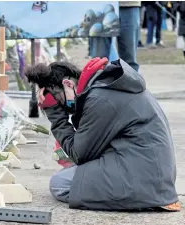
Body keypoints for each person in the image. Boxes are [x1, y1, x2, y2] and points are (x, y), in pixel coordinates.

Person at [24, 58, 180, 211]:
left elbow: (79, 155)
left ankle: (141, 199)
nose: (63, 108)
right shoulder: (105, 87)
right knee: (71, 174)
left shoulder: (99, 99)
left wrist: (54, 113)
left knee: (59, 183)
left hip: (143, 177)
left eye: (58, 100)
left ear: (68, 84)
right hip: (150, 171)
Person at [90, 2, 141, 71]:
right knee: (98, 61)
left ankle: (130, 81)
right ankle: (99, 81)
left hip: (129, 5)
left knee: (129, 62)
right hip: (101, 5)